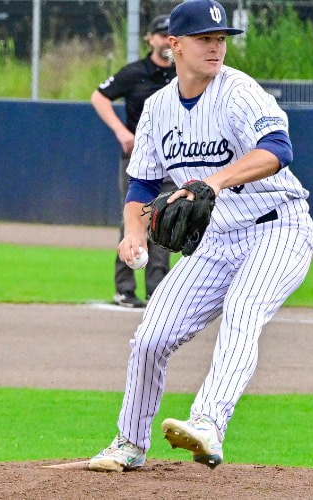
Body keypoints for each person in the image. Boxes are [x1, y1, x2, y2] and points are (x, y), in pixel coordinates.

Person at [86, 0, 313, 472]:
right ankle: (130, 442)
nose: (216, 47)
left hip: (278, 227)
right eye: (204, 39)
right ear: (174, 46)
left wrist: (213, 181)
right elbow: (144, 183)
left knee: (243, 310)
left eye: (221, 39)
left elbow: (277, 149)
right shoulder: (156, 109)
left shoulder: (238, 92)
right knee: (150, 338)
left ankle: (208, 422)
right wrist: (134, 233)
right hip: (214, 241)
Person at [91, 14, 178, 309]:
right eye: (161, 34)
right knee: (132, 218)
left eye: (171, 34)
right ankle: (125, 289)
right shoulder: (135, 72)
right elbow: (99, 96)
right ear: (150, 39)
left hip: (171, 158)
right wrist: (120, 131)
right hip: (137, 157)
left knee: (163, 221)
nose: (166, 39)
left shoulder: (183, 73)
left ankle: (157, 289)